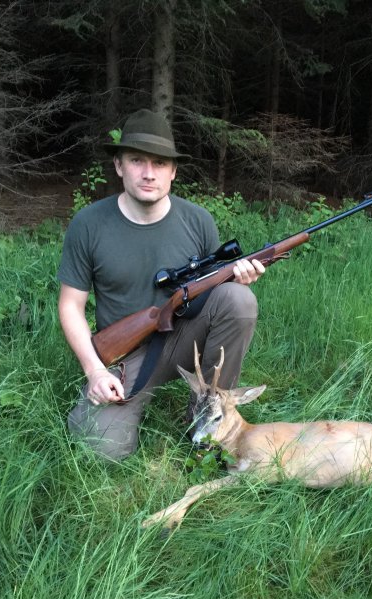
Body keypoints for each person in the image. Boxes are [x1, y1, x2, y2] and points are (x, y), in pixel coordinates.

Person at [57, 108, 265, 460]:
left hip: (185, 337)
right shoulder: (89, 224)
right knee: (101, 450)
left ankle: (207, 415)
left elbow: (215, 294)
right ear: (119, 165)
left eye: (159, 163)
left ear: (173, 171)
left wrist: (240, 279)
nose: (149, 173)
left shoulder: (197, 220)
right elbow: (70, 306)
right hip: (128, 355)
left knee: (238, 300)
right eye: (137, 160)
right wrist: (94, 371)